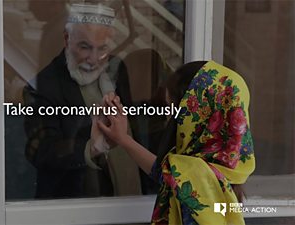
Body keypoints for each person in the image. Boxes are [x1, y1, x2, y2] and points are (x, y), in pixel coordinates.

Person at [98, 60, 255, 224]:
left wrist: (123, 139)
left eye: (174, 112)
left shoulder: (196, 175)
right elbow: (166, 171)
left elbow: (167, 172)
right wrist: (124, 139)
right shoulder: (230, 171)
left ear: (195, 119)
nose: (170, 121)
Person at [24, 3, 141, 199]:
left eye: (102, 48)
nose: (93, 58)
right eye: (85, 47)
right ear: (67, 39)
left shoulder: (117, 69)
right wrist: (90, 148)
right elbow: (40, 150)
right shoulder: (42, 86)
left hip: (129, 203)